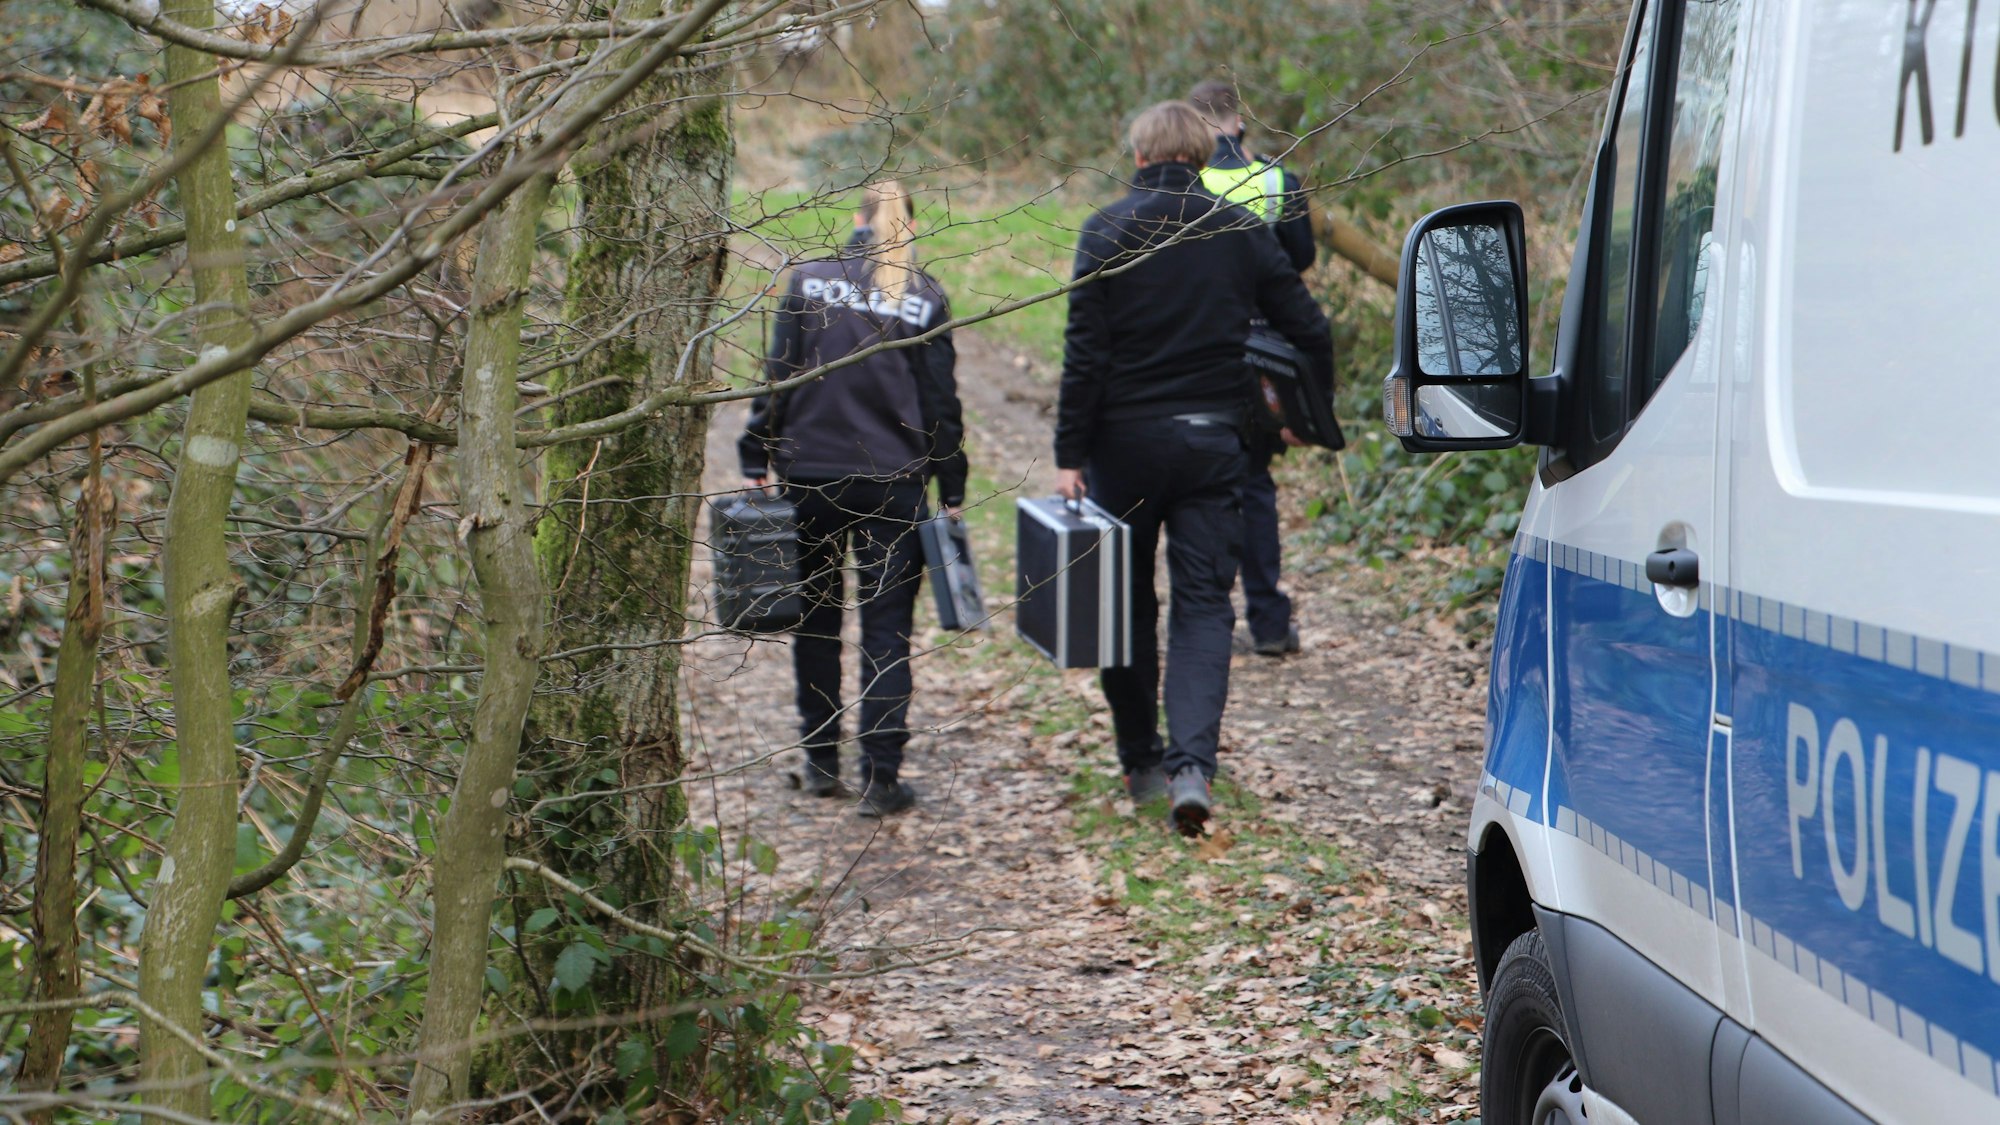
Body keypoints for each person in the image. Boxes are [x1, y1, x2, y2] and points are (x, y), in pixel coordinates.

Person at [1056, 102, 1333, 835]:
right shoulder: (1240, 229)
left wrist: (1068, 456)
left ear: (1140, 156)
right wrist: (1309, 418)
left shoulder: (1106, 230)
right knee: (1204, 605)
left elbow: (1084, 356)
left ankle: (1141, 760)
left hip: (1123, 449)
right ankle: (1192, 769)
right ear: (1205, 157)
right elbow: (1309, 327)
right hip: (1215, 445)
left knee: (1125, 607)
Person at [739, 181, 965, 818]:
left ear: (856, 220)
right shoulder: (922, 296)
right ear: (909, 230)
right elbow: (940, 404)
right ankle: (881, 778)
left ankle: (818, 764)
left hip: (809, 475)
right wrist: (953, 485)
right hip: (892, 483)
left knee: (815, 621)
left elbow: (779, 374)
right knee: (885, 630)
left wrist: (757, 451)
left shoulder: (808, 280)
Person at [1189, 77, 1314, 658]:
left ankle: (1209, 616)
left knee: (1207, 486)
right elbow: (1302, 256)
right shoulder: (1275, 178)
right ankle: (1267, 620)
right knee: (1256, 484)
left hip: (1203, 348)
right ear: (1238, 119)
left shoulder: (1189, 183)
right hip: (1265, 348)